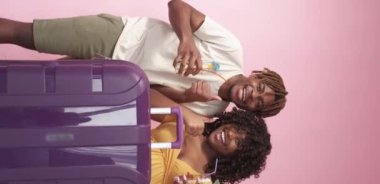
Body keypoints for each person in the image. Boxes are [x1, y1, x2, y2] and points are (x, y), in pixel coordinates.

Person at [0, 0, 287, 120]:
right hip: (119, 37)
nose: (254, 96)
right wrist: (187, 40)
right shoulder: (230, 49)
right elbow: (177, 4)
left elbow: (151, 97)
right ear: (257, 77)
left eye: (258, 104)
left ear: (251, 110)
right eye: (260, 89)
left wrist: (184, 97)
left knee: (37, 81)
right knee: (25, 35)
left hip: (111, 78)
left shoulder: (213, 108)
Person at [47, 103, 272, 184]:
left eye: (238, 143)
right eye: (237, 129)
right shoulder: (194, 120)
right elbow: (146, 99)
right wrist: (185, 111)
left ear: (237, 158)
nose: (231, 134)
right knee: (26, 162)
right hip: (92, 150)